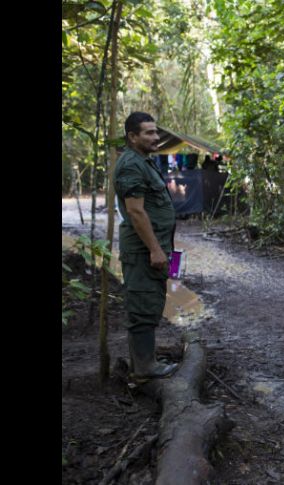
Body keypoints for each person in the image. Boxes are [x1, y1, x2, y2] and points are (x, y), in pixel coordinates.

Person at [113, 112, 178, 380]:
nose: (156, 137)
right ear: (132, 136)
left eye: (155, 131)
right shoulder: (131, 165)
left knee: (150, 302)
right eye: (149, 133)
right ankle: (144, 368)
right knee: (142, 305)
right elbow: (135, 211)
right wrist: (154, 249)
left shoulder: (144, 161)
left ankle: (145, 361)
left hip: (153, 247)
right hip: (142, 251)